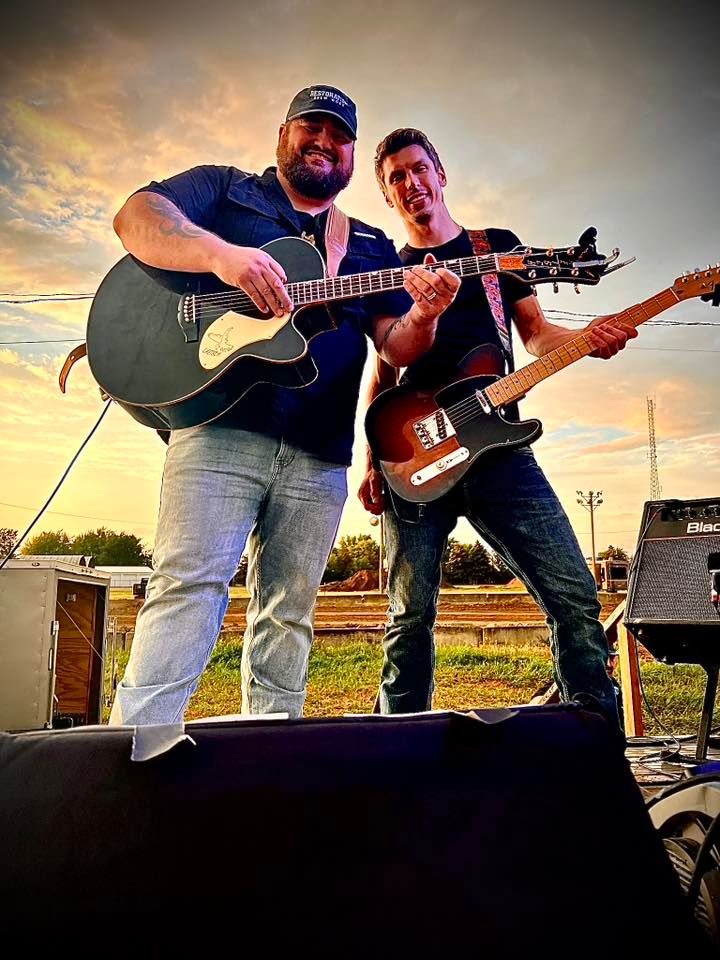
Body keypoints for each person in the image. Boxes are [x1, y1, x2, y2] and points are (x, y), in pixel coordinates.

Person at [108, 91, 460, 725]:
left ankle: (271, 759)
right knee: (187, 589)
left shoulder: (372, 245)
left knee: (290, 613)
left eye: (339, 134)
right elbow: (136, 217)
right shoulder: (225, 191)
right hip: (217, 433)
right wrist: (225, 257)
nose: (323, 140)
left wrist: (427, 314)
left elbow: (396, 343)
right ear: (283, 134)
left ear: (351, 154)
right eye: (311, 127)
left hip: (320, 454)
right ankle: (131, 763)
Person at [359, 127, 637, 727]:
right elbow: (384, 372)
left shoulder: (496, 250)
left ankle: (592, 748)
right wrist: (371, 462)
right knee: (408, 619)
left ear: (441, 174)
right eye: (395, 179)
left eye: (417, 169)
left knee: (573, 595)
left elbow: (536, 336)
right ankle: (397, 760)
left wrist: (591, 341)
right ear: (387, 196)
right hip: (413, 457)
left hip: (501, 451)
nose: (411, 184)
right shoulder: (384, 268)